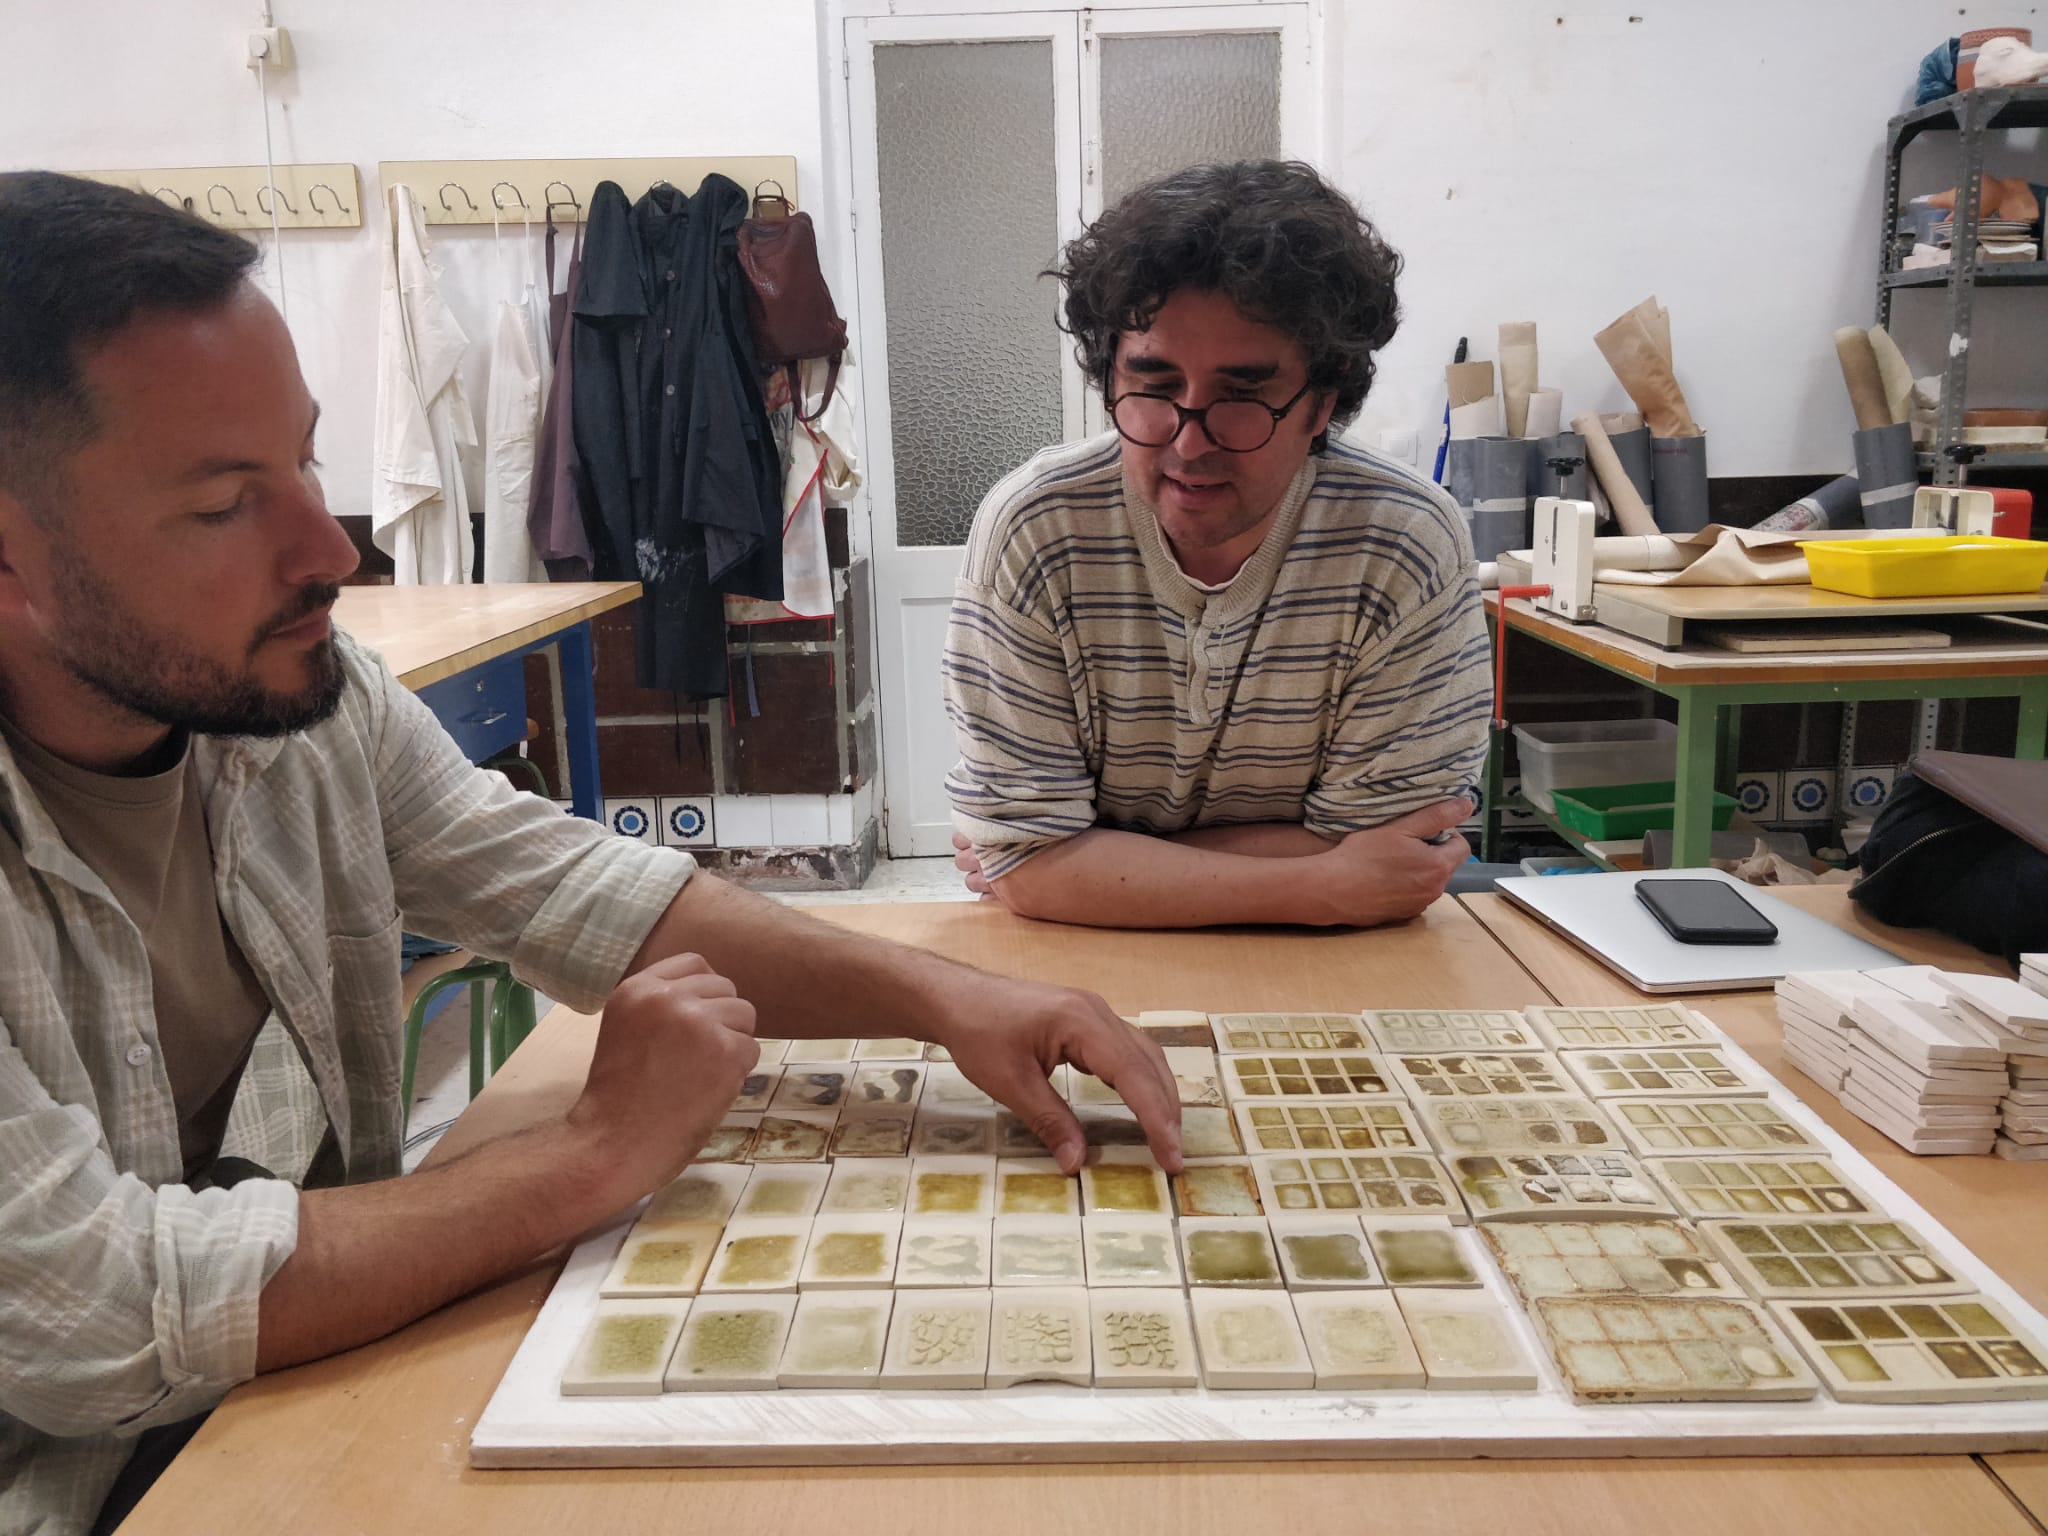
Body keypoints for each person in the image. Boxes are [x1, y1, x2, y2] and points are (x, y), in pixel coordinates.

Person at [0, 172, 1181, 1536]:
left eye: (308, 463)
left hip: (269, 1392)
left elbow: (579, 894)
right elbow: (96, 1311)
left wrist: (949, 999)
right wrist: (590, 1150)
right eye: (222, 507)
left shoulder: (306, 707)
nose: (331, 548)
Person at [944, 159, 1493, 930]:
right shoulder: (1037, 532)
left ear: (1321, 401)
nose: (1188, 443)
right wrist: (1319, 882)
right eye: (1154, 385)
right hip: (1086, 961)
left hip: (1337, 967)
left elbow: (1398, 852)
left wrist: (1088, 861)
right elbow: (1029, 869)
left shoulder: (1405, 545)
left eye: (1242, 395)